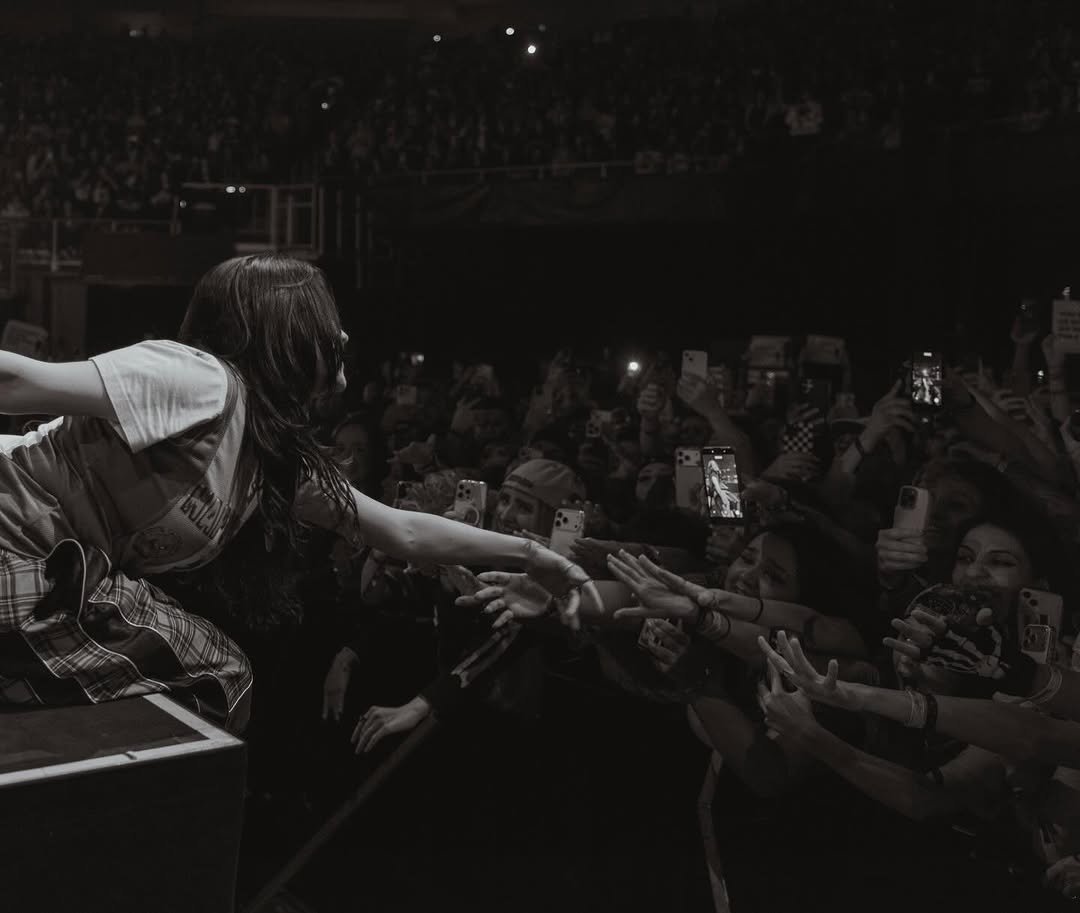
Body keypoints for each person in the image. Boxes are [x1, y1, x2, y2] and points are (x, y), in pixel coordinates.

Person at [0, 254, 596, 733]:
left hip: (54, 565)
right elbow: (20, 380)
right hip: (12, 529)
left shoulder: (269, 463)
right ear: (285, 333)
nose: (340, 331)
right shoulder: (200, 379)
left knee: (221, 677)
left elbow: (402, 530)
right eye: (323, 315)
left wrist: (530, 554)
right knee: (215, 670)